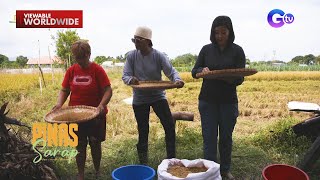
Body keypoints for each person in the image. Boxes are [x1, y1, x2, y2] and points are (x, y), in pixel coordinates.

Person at [191, 16, 246, 180]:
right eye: (217, 33)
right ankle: (210, 172)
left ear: (230, 32)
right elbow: (194, 71)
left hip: (228, 101)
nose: (220, 36)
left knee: (226, 138)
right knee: (209, 138)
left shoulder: (237, 51)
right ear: (212, 33)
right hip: (207, 100)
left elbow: (241, 77)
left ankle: (225, 170)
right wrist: (203, 69)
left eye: (223, 32)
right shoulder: (206, 49)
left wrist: (231, 78)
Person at [122, 26, 184, 164]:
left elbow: (171, 72)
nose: (136, 43)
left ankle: (171, 159)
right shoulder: (132, 56)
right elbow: (125, 76)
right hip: (140, 98)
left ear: (148, 42)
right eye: (135, 40)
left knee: (169, 125)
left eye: (138, 41)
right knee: (143, 130)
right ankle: (143, 163)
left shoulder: (158, 55)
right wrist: (131, 80)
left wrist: (177, 80)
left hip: (158, 96)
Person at [52, 40, 112, 180]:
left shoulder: (97, 70)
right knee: (79, 145)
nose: (79, 61)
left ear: (89, 54)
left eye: (82, 57)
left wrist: (101, 106)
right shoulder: (71, 71)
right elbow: (64, 90)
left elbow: (108, 90)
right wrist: (59, 104)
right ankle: (81, 174)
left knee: (95, 143)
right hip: (75, 116)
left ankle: (97, 171)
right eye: (77, 57)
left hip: (96, 115)